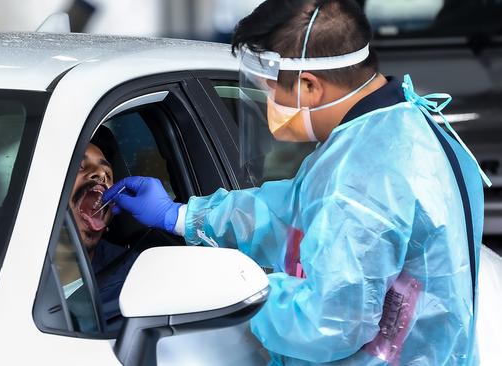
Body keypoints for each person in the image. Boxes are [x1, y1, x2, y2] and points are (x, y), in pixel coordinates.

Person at [102, 0, 488, 364]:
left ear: (308, 86)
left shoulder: (365, 174)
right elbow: (292, 211)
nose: (268, 103)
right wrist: (183, 216)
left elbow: (330, 322)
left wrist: (243, 299)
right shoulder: (395, 130)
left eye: (271, 90)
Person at [55, 127, 138, 330]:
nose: (100, 174)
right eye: (79, 166)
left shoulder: (132, 280)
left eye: (107, 173)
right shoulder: (0, 268)